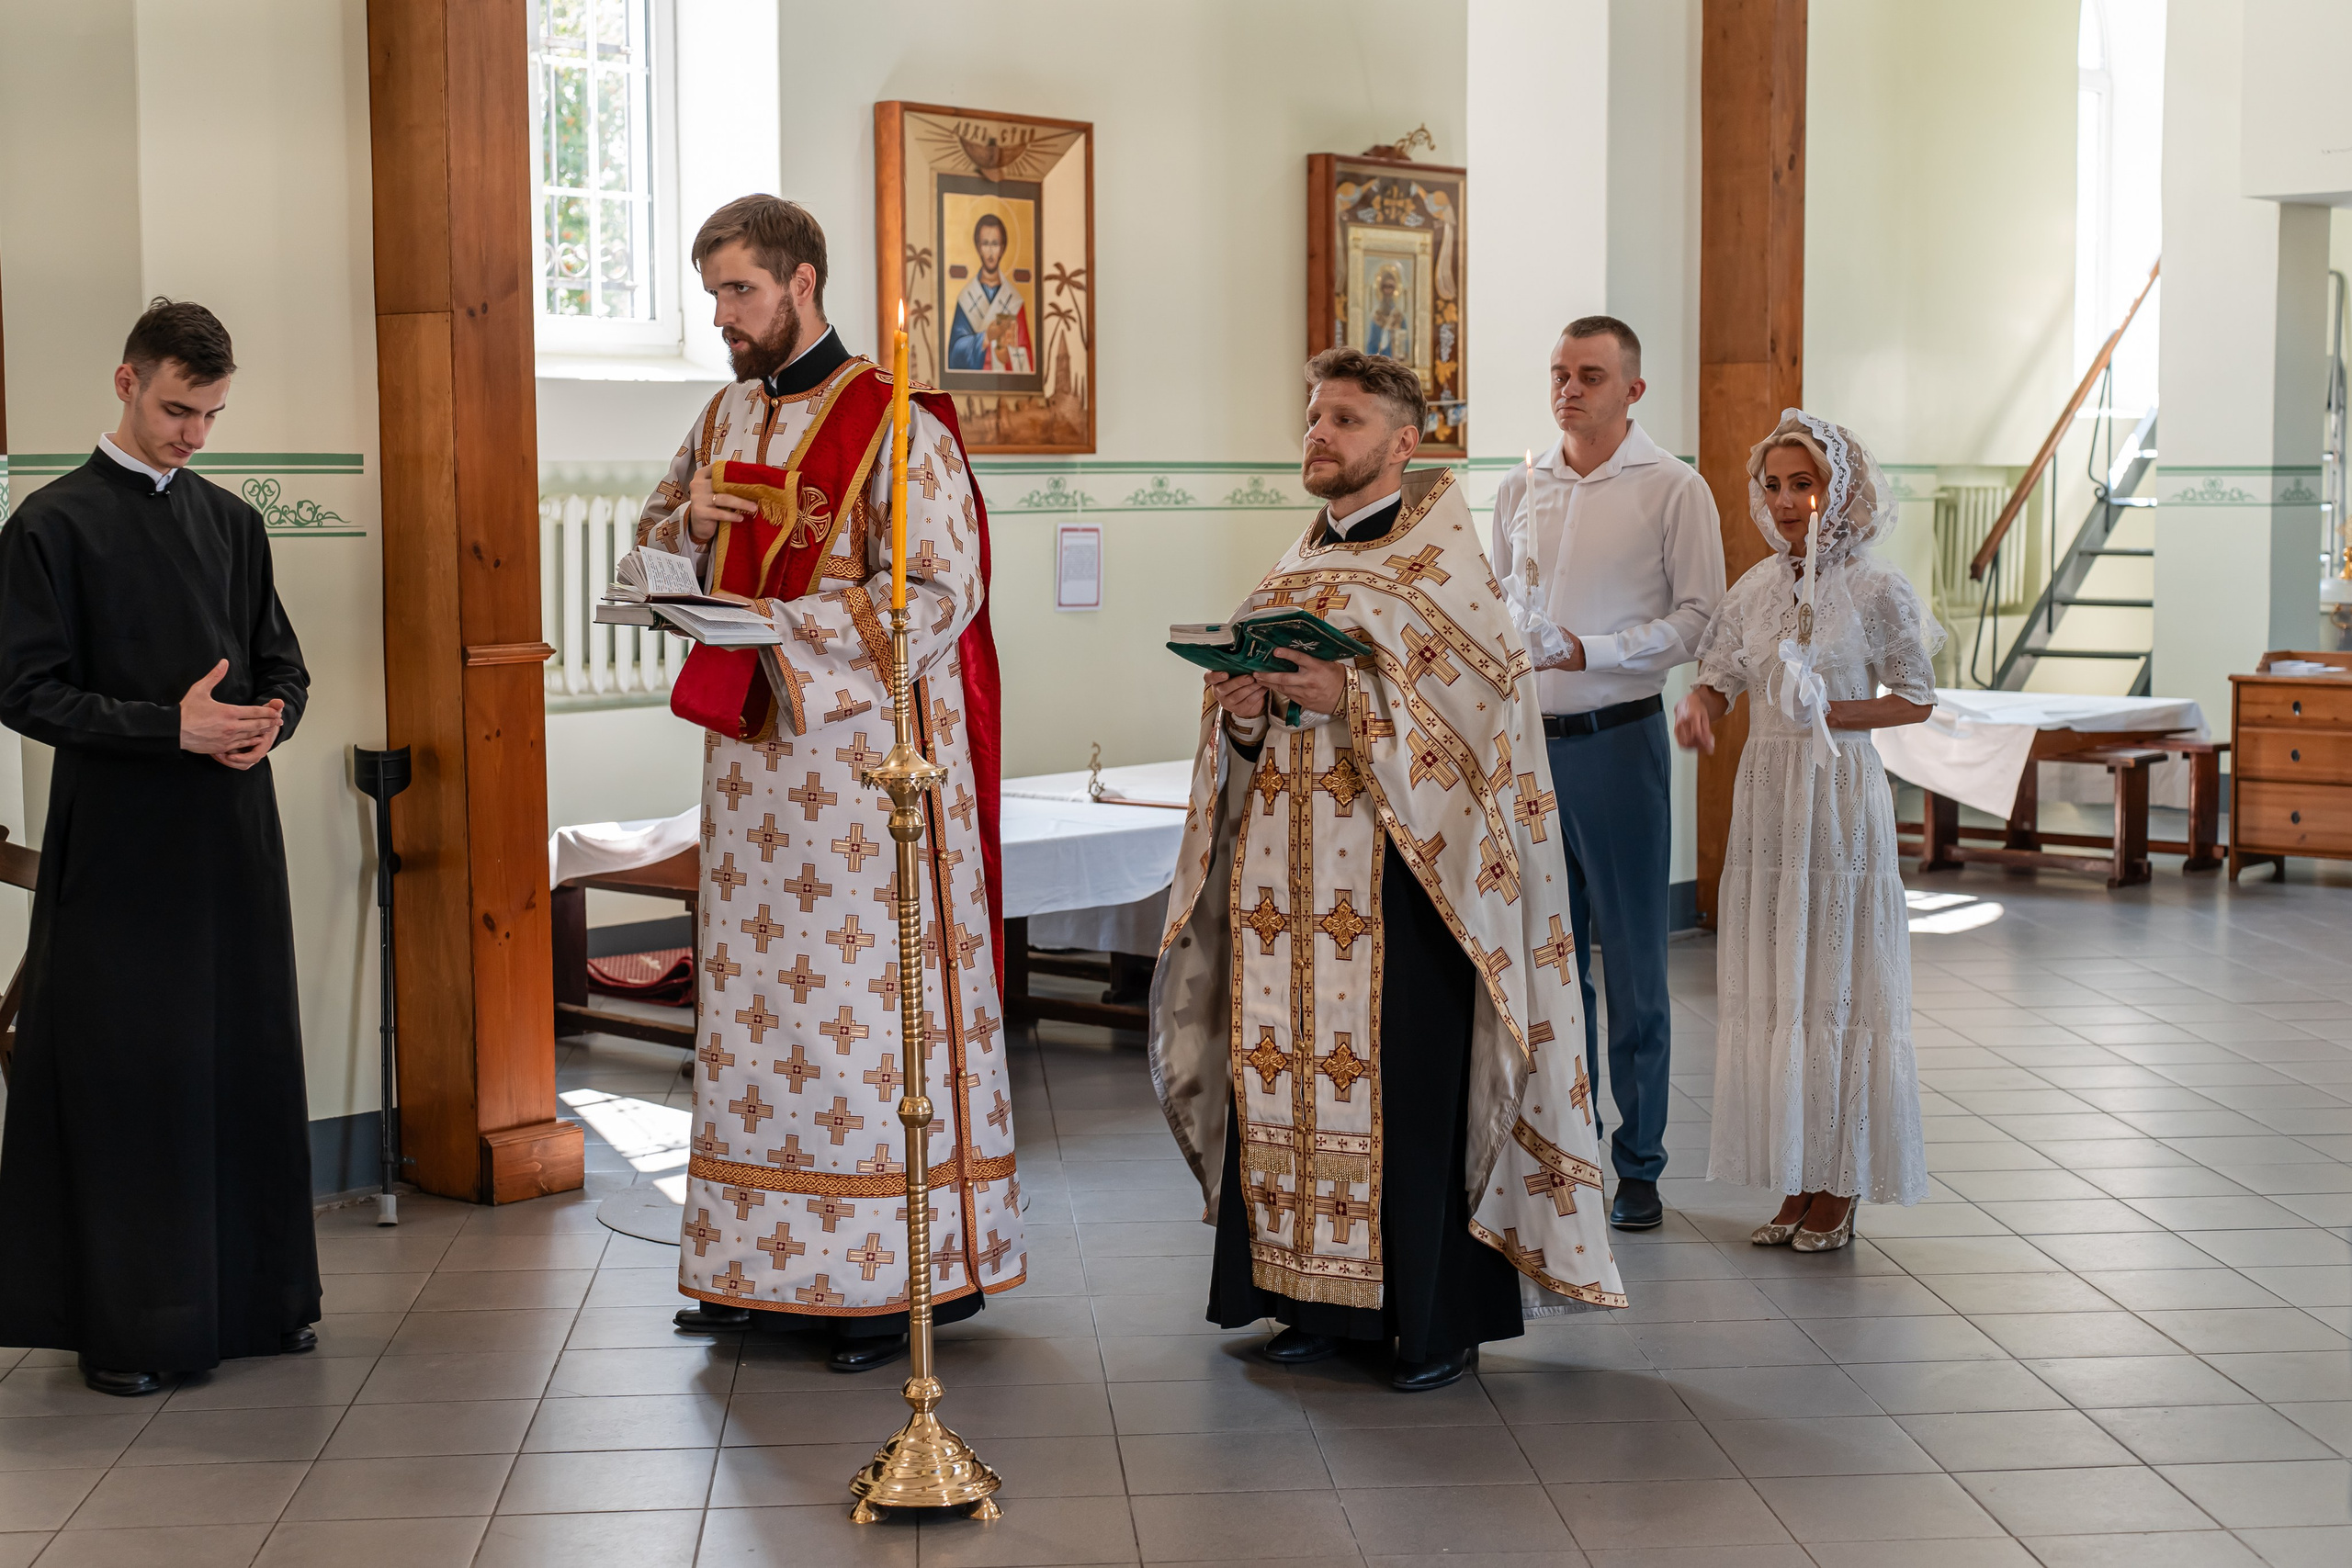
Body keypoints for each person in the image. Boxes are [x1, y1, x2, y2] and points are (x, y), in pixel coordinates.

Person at [1151, 347, 1624, 1393]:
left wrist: (1348, 699)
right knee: (1286, 1095)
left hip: (1408, 889)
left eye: (1347, 421)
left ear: (1403, 446)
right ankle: (1308, 1302)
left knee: (1403, 1098)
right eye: (1315, 416)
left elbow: (1483, 729)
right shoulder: (1295, 570)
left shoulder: (1447, 574)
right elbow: (1256, 737)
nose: (1319, 436)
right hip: (1289, 899)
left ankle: (1434, 1320)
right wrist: (1240, 714)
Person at [639, 196, 1023, 1373]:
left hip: (865, 785)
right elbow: (648, 556)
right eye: (712, 296)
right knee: (755, 1022)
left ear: (803, 281)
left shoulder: (897, 424)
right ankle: (754, 1270)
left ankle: (878, 1281)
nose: (722, 318)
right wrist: (685, 534)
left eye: (739, 292)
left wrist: (776, 620)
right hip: (754, 785)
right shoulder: (723, 414)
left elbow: (936, 592)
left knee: (858, 1029)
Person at [0, 299, 318, 1395]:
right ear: (126, 381)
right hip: (123, 846)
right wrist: (166, 727)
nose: (194, 435)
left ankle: (263, 1303)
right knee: (134, 1079)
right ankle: (134, 1327)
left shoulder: (232, 521)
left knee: (242, 1060)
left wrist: (272, 718)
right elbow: (23, 689)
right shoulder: (50, 523)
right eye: (179, 409)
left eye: (213, 414)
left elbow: (283, 663)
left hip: (233, 839)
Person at [1671, 411, 1937, 1249]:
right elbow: (1720, 678)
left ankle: (1842, 1179)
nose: (1786, 501)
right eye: (1775, 485)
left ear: (1841, 490)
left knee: (1836, 981)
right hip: (1771, 802)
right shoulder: (1755, 588)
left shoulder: (1877, 589)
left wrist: (1835, 706)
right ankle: (1794, 1173)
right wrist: (1700, 707)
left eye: (1804, 483)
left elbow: (1917, 696)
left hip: (1839, 796)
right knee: (1781, 980)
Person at [1489, 317, 1724, 1233]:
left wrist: (1598, 647)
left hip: (1619, 741)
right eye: (1558, 374)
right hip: (1530, 747)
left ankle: (1641, 1164)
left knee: (1630, 964)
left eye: (1589, 375)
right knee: (1548, 962)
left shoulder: (1672, 488)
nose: (1568, 390)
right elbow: (1503, 607)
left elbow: (1698, 618)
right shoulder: (1521, 486)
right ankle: (1566, 1143)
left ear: (1632, 388)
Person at [948, 213, 1033, 374]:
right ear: (978, 248)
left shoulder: (1014, 300)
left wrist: (1006, 354)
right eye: (985, 244)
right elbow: (954, 353)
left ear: (1002, 248)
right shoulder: (967, 297)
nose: (991, 251)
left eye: (995, 244)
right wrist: (985, 338)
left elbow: (1027, 357)